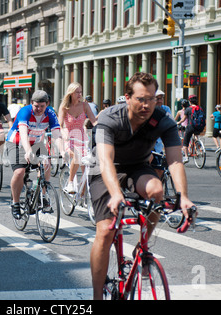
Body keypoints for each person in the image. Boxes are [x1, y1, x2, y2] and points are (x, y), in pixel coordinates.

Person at [89, 72, 197, 300]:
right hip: (105, 170)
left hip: (137, 167)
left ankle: (142, 246)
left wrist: (184, 196)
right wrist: (116, 194)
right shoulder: (110, 118)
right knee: (105, 230)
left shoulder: (163, 121)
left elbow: (175, 160)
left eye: (151, 98)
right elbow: (106, 160)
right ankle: (97, 296)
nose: (147, 104)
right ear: (127, 97)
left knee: (157, 191)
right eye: (141, 99)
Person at [5, 90, 63, 218]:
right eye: (36, 106)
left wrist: (63, 151)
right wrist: (28, 151)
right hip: (17, 142)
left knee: (46, 163)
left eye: (42, 106)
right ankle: (15, 203)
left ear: (47, 104)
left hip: (36, 143)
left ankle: (43, 196)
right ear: (32, 103)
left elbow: (57, 134)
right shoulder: (25, 111)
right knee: (19, 172)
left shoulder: (50, 113)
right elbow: (24, 133)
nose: (39, 109)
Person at [58, 82, 97, 194]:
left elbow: (94, 121)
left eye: (80, 92)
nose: (79, 94)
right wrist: (64, 134)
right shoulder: (64, 107)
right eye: (77, 92)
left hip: (82, 137)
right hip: (69, 137)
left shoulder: (85, 105)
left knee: (87, 168)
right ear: (70, 93)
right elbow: (59, 125)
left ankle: (82, 195)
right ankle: (70, 182)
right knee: (77, 156)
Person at [177, 94, 205, 163]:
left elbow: (183, 119)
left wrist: (177, 123)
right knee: (195, 136)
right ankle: (199, 146)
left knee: (185, 142)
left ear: (190, 101)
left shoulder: (188, 109)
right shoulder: (200, 108)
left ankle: (186, 157)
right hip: (200, 128)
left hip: (191, 127)